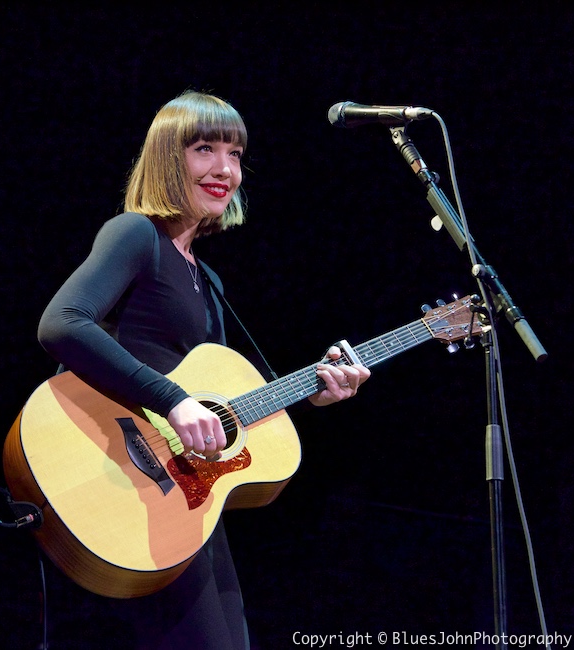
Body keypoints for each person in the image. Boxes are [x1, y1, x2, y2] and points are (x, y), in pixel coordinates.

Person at [36, 90, 371, 649]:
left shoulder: (208, 282)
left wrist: (318, 389)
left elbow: (242, 398)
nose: (225, 169)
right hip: (124, 477)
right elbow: (62, 324)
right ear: (169, 159)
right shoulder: (135, 234)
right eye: (205, 149)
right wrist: (172, 400)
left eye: (236, 154)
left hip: (187, 499)